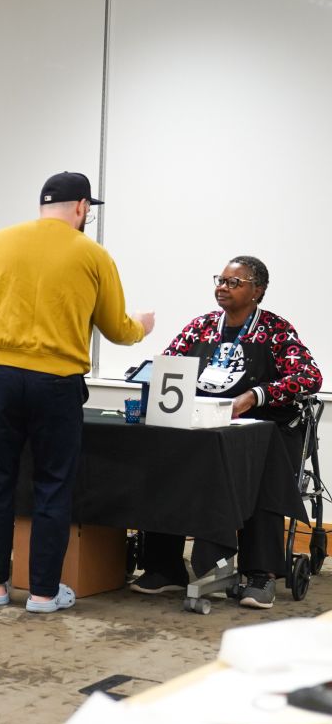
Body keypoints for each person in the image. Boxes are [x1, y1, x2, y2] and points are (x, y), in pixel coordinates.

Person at [0, 172, 153, 612]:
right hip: (57, 383)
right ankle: (44, 593)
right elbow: (115, 326)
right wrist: (140, 327)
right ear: (82, 208)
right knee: (53, 485)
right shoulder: (92, 254)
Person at [132, 256, 322, 609]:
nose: (223, 286)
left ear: (257, 291)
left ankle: (260, 575)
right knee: (167, 463)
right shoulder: (201, 326)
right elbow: (170, 363)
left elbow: (309, 377)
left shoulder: (275, 330)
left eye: (234, 282)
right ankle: (165, 566)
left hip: (266, 430)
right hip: (207, 426)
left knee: (262, 475)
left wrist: (256, 395)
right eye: (221, 280)